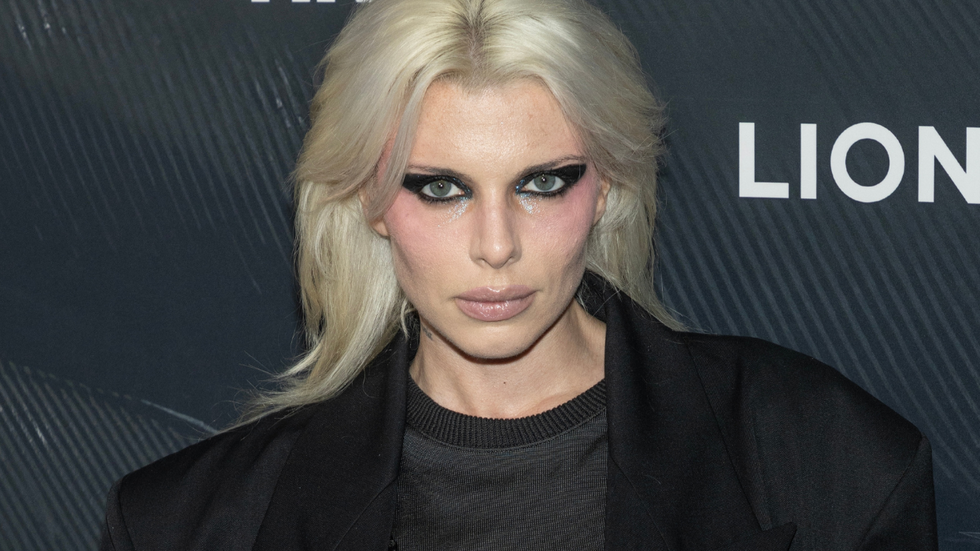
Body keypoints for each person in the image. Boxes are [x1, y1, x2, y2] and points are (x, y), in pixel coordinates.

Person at [100, 0, 937, 549]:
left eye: (542, 182)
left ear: (606, 183)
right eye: (440, 188)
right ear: (366, 199)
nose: (495, 244)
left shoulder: (833, 464)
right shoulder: (188, 524)